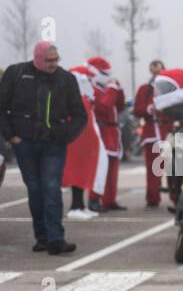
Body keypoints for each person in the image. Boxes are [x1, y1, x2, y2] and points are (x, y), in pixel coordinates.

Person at [0, 40, 87, 254]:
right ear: (38, 58)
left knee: (51, 187)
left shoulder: (66, 79)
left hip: (53, 145)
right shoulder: (16, 73)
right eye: (49, 60)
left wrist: (66, 136)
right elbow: (2, 108)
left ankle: (56, 238)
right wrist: (11, 137)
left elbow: (80, 115)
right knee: (35, 189)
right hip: (25, 144)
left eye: (56, 59)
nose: (53, 64)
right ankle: (42, 237)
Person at [62, 65, 108, 221]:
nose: (90, 83)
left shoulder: (83, 98)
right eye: (87, 79)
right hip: (78, 143)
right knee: (77, 175)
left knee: (83, 175)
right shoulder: (75, 98)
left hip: (86, 144)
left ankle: (81, 205)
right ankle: (75, 207)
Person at [87, 56, 126, 212]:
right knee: (100, 168)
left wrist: (119, 89)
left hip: (113, 132)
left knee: (113, 169)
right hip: (102, 131)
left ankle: (110, 200)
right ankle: (94, 199)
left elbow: (120, 106)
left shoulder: (106, 89)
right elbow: (104, 107)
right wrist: (112, 89)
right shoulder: (92, 90)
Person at [134, 59, 170, 207]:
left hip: (166, 131)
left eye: (159, 72)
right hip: (150, 133)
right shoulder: (144, 89)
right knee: (152, 168)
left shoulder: (170, 88)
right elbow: (137, 109)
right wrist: (148, 109)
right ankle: (152, 198)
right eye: (154, 72)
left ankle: (176, 197)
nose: (156, 74)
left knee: (172, 167)